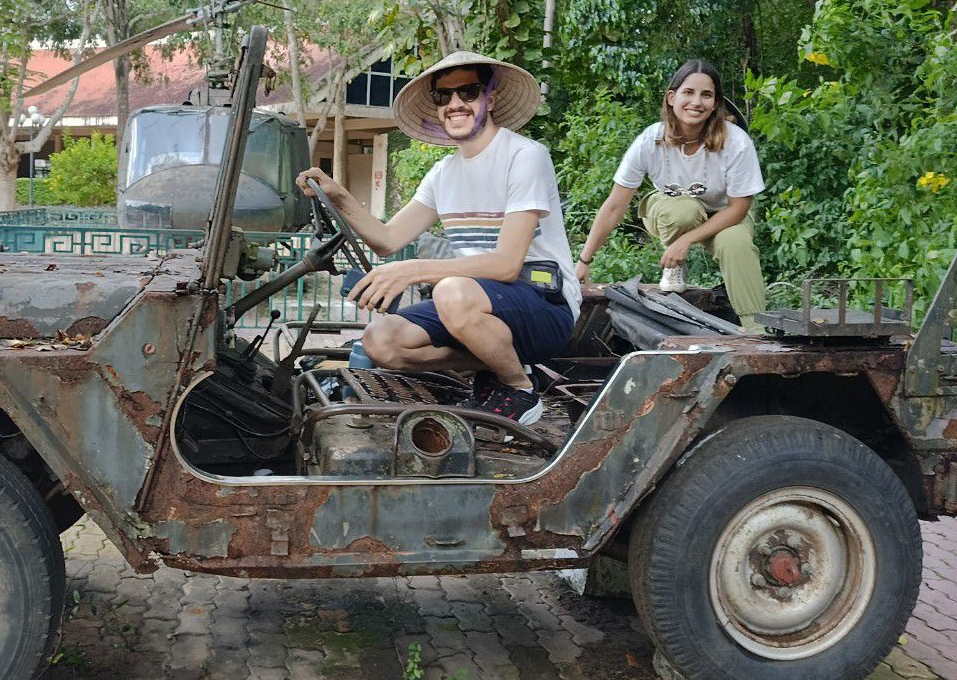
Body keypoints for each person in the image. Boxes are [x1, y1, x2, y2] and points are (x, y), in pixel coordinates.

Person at [296, 51, 581, 425]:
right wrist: (338, 195)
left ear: (490, 99)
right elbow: (386, 239)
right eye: (443, 96)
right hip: (474, 308)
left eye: (469, 92)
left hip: (544, 302)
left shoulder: (525, 156)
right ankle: (495, 361)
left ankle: (519, 388)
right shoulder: (443, 174)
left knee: (450, 291)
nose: (455, 104)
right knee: (380, 339)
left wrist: (413, 271)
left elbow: (507, 265)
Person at [574, 59, 766, 325]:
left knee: (736, 242)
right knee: (684, 209)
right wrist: (584, 259)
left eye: (706, 95)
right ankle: (674, 269)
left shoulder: (735, 142)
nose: (696, 102)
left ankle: (754, 327)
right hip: (673, 211)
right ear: (672, 97)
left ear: (715, 103)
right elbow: (615, 205)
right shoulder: (650, 141)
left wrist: (685, 241)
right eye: (688, 92)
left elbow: (738, 209)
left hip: (726, 215)